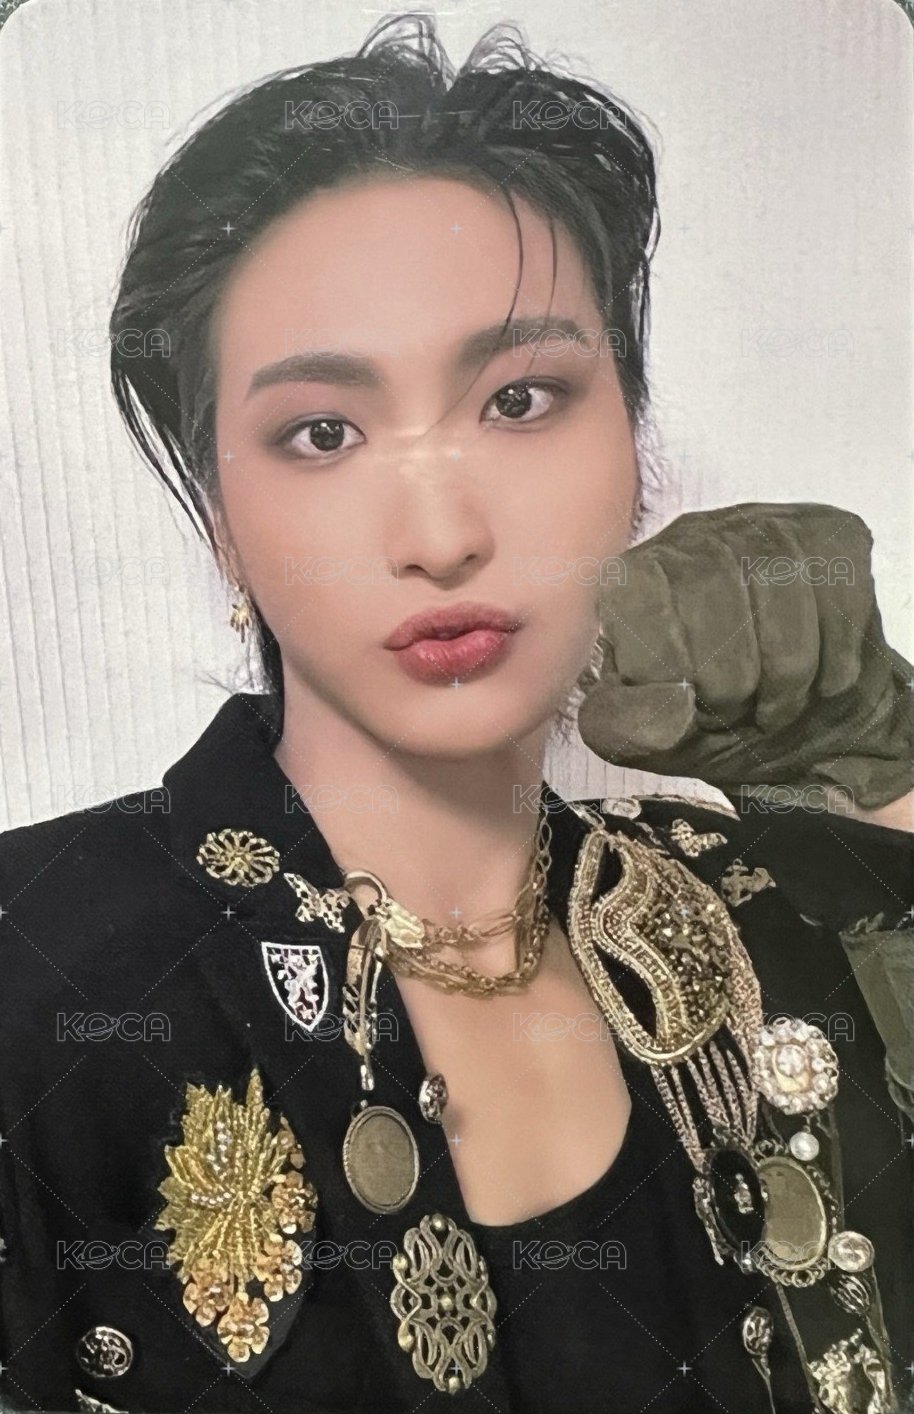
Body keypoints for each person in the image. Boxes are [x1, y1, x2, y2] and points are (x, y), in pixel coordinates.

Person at [0, 15, 911, 1414]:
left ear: (634, 443)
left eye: (522, 398)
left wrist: (887, 776)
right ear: (222, 520)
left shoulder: (771, 904)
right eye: (322, 431)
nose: (440, 534)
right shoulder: (39, 968)